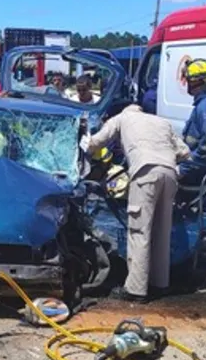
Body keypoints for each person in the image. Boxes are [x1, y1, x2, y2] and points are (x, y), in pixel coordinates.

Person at [81, 104, 191, 303]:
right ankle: (160, 284)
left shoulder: (122, 118)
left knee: (140, 231)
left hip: (145, 172)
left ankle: (135, 290)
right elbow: (185, 152)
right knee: (162, 231)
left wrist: (84, 143)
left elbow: (96, 142)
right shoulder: (161, 121)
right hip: (170, 174)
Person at [179, 58, 206, 185]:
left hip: (201, 176)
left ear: (198, 82)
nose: (187, 83)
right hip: (196, 172)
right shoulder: (201, 106)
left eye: (188, 80)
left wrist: (183, 169)